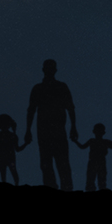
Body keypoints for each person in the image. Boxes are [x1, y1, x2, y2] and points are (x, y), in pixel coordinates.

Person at [25, 59, 77, 190]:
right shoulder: (40, 88)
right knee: (49, 163)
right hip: (46, 131)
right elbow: (31, 110)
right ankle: (56, 188)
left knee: (59, 163)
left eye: (51, 68)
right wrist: (28, 129)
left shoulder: (58, 87)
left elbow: (70, 107)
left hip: (55, 130)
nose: (50, 71)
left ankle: (65, 189)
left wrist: (73, 126)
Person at [74, 123, 112, 192]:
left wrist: (75, 141)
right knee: (96, 181)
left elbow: (82, 147)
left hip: (96, 162)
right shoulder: (98, 141)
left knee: (97, 181)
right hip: (96, 162)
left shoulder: (96, 141)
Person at [0, 114, 27, 185]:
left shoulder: (0, 135)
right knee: (11, 173)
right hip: (9, 158)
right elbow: (18, 149)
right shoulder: (12, 136)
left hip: (2, 158)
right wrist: (26, 144)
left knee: (5, 174)